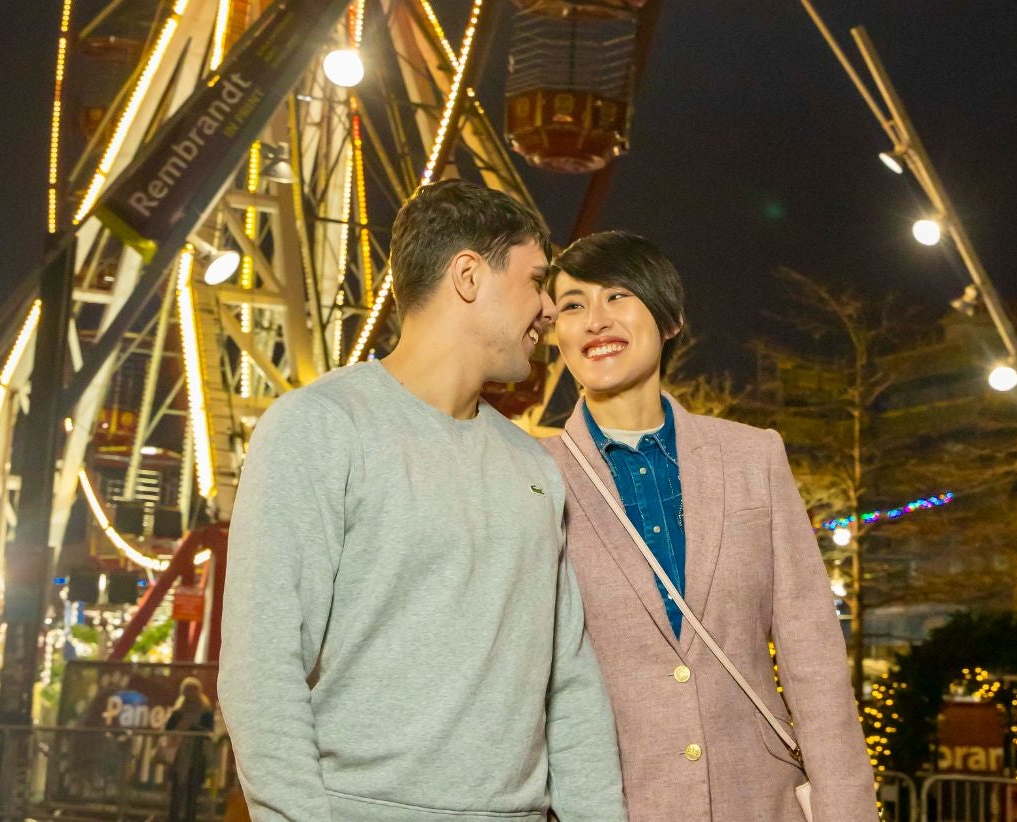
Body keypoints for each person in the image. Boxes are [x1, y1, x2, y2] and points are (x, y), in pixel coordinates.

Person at [219, 179, 625, 822]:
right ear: (469, 275)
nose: (550, 309)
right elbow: (262, 670)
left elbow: (569, 682)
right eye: (535, 281)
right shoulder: (319, 427)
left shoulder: (534, 468)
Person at [540, 231, 877, 821]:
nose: (595, 320)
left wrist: (848, 810)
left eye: (618, 296)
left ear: (669, 320)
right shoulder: (535, 476)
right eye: (572, 305)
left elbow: (813, 655)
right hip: (615, 805)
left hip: (759, 800)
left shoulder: (753, 456)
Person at [163, 677, 215, 822]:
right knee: (176, 790)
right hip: (179, 754)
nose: (190, 693)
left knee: (193, 792)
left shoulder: (205, 711)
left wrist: (191, 728)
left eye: (193, 689)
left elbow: (209, 731)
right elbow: (168, 727)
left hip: (197, 754)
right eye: (188, 689)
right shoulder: (179, 710)